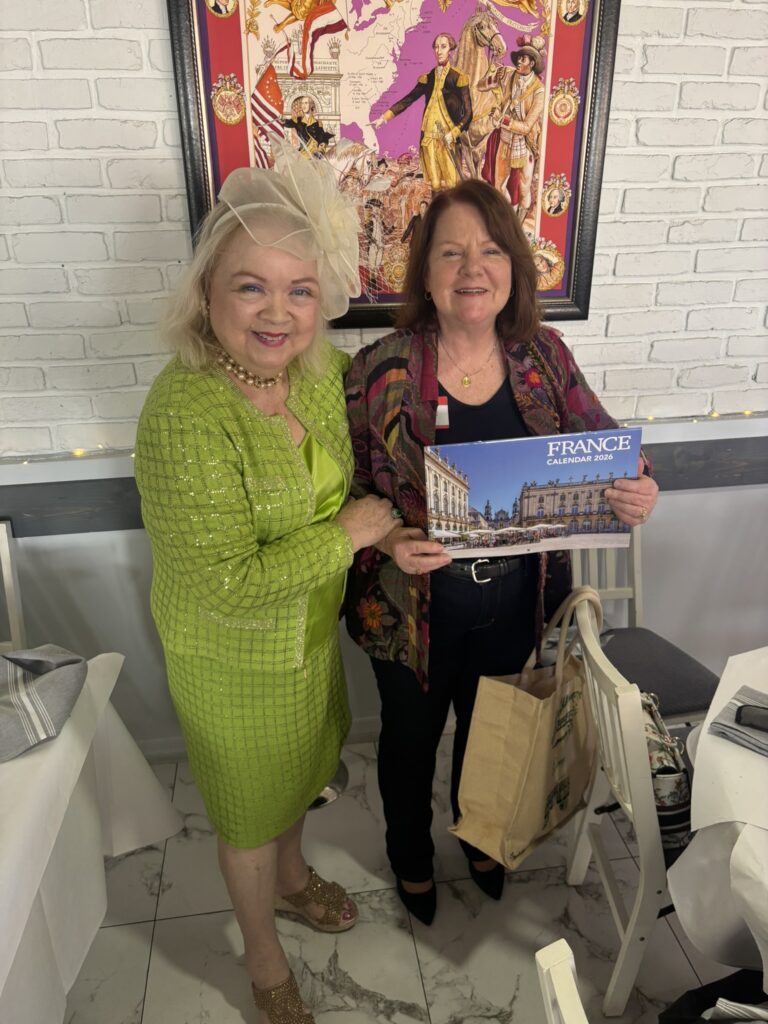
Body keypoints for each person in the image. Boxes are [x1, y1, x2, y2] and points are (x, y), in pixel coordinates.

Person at [344, 179, 659, 925]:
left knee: (494, 733)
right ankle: (410, 857)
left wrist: (640, 485)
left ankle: (481, 837)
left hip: (516, 599)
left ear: (514, 267)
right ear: (424, 272)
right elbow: (347, 488)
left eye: (489, 251)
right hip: (410, 609)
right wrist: (388, 537)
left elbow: (608, 448)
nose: (471, 268)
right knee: (409, 743)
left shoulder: (544, 356)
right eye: (450, 252)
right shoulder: (379, 368)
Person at [134, 142, 395, 1023]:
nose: (278, 312)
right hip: (231, 659)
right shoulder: (184, 412)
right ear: (207, 291)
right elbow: (229, 583)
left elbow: (365, 461)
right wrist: (351, 535)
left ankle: (291, 878)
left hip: (307, 643)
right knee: (248, 816)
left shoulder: (316, 376)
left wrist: (391, 533)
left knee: (301, 777)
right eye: (252, 287)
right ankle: (262, 961)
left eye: (300, 289)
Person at [372, 33, 472, 192]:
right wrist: (384, 117)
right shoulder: (428, 78)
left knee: (452, 185)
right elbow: (408, 99)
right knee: (435, 186)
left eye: (443, 47)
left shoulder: (458, 77)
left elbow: (468, 113)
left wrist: (454, 133)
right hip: (428, 140)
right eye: (436, 47)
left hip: (449, 140)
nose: (439, 51)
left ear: (450, 50)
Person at [479, 36, 545, 221]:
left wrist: (503, 120)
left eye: (523, 59)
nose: (518, 62)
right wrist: (492, 72)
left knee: (524, 189)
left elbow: (526, 127)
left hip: (526, 143)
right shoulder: (508, 74)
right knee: (498, 185)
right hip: (505, 138)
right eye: (518, 58)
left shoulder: (539, 91)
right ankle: (507, 216)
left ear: (532, 63)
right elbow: (481, 86)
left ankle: (519, 224)